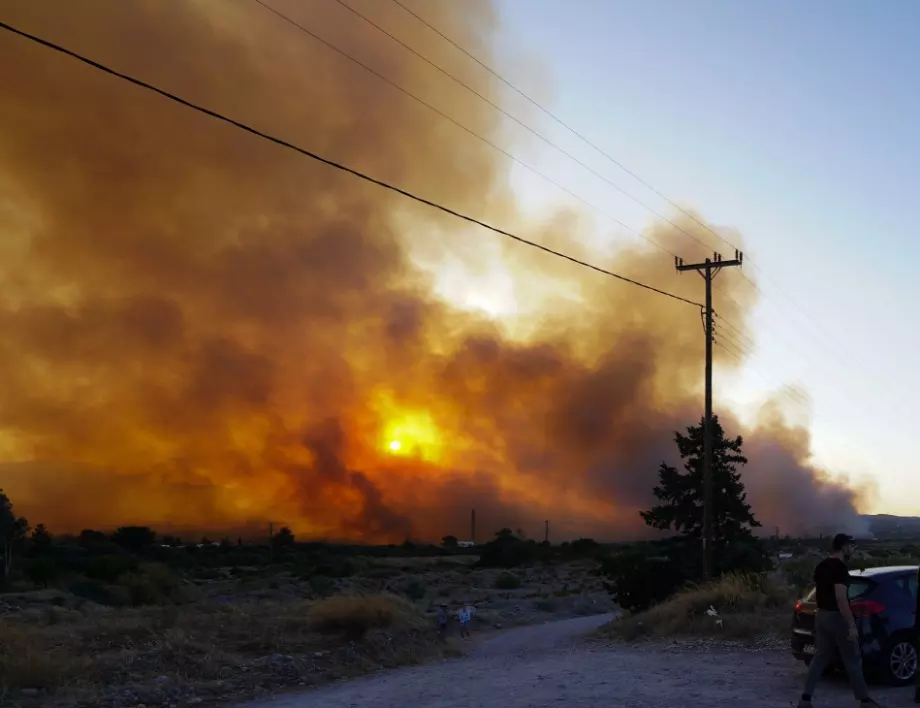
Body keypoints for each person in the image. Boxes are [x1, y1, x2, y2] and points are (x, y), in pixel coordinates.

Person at [797, 533, 880, 708]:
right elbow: (841, 598)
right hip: (837, 617)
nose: (852, 549)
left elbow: (821, 592)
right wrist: (851, 626)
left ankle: (805, 699)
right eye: (851, 546)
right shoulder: (840, 569)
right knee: (852, 658)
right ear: (843, 547)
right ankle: (865, 701)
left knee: (820, 657)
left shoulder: (821, 566)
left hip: (821, 616)